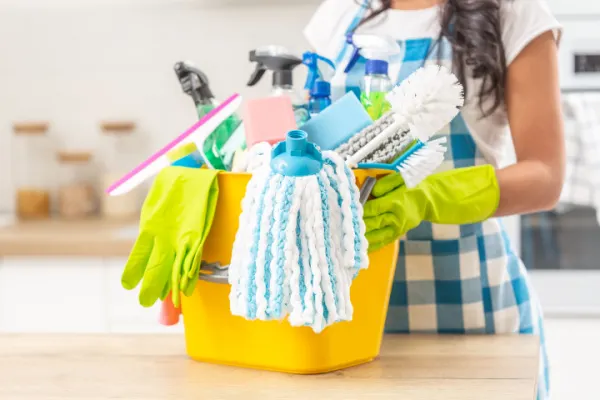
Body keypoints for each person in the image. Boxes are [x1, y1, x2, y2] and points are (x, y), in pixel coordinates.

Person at [304, 1, 564, 399]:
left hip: (473, 312)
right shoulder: (340, 14)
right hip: (353, 315)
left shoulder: (513, 12)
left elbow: (545, 176)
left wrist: (426, 198)